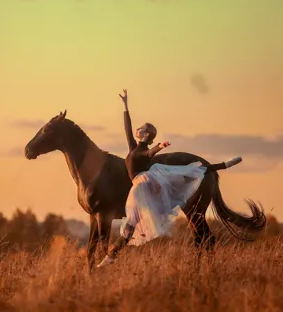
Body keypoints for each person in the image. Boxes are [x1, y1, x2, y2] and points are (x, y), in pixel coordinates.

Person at [97, 89, 241, 268]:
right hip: (141, 186)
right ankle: (111, 256)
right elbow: (127, 126)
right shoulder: (133, 147)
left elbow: (151, 152)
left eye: (141, 128)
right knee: (130, 226)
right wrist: (125, 105)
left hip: (144, 187)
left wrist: (159, 146)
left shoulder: (143, 152)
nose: (137, 128)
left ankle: (110, 257)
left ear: (146, 135)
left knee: (189, 172)